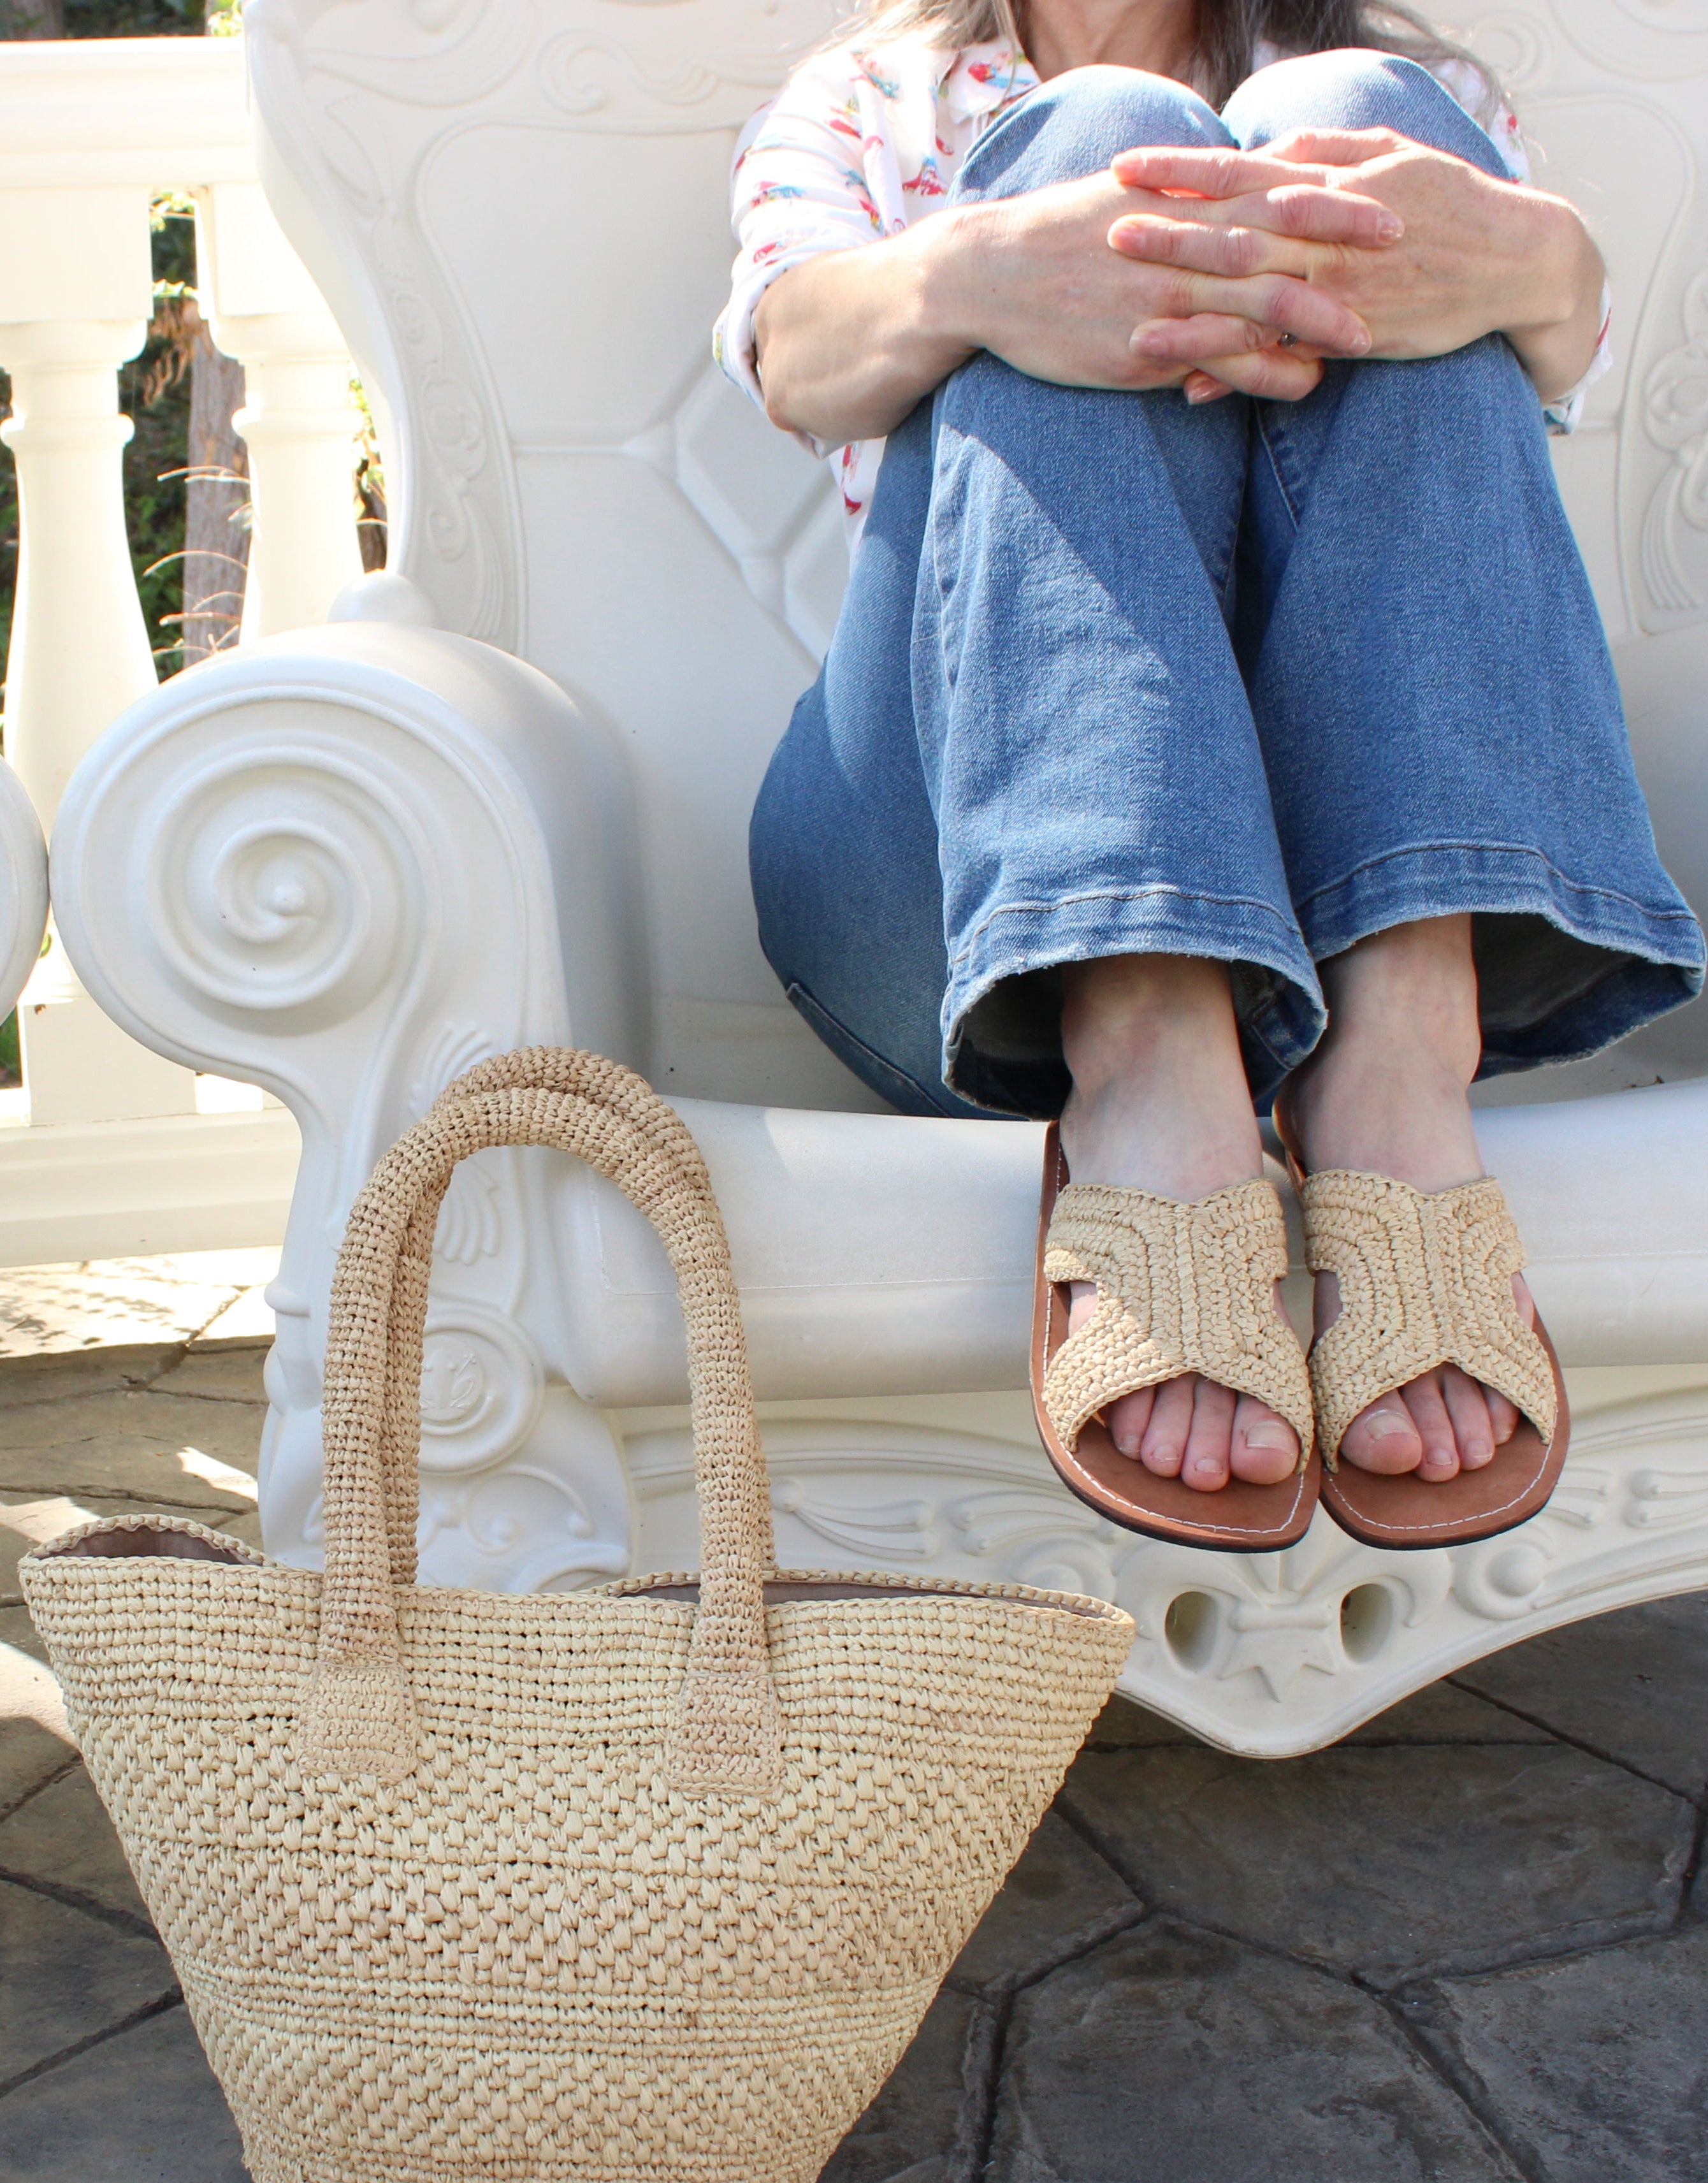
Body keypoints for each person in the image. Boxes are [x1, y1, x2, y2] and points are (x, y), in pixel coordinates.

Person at [716, 0, 1705, 1551]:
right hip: (954, 893)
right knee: (1096, 141)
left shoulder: (1416, 103)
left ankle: (1392, 1068)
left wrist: (1534, 261)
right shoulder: (875, 98)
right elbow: (791, 352)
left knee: (1360, 116)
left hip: (1350, 889)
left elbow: (1556, 343)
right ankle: (1140, 1040)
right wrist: (990, 271)